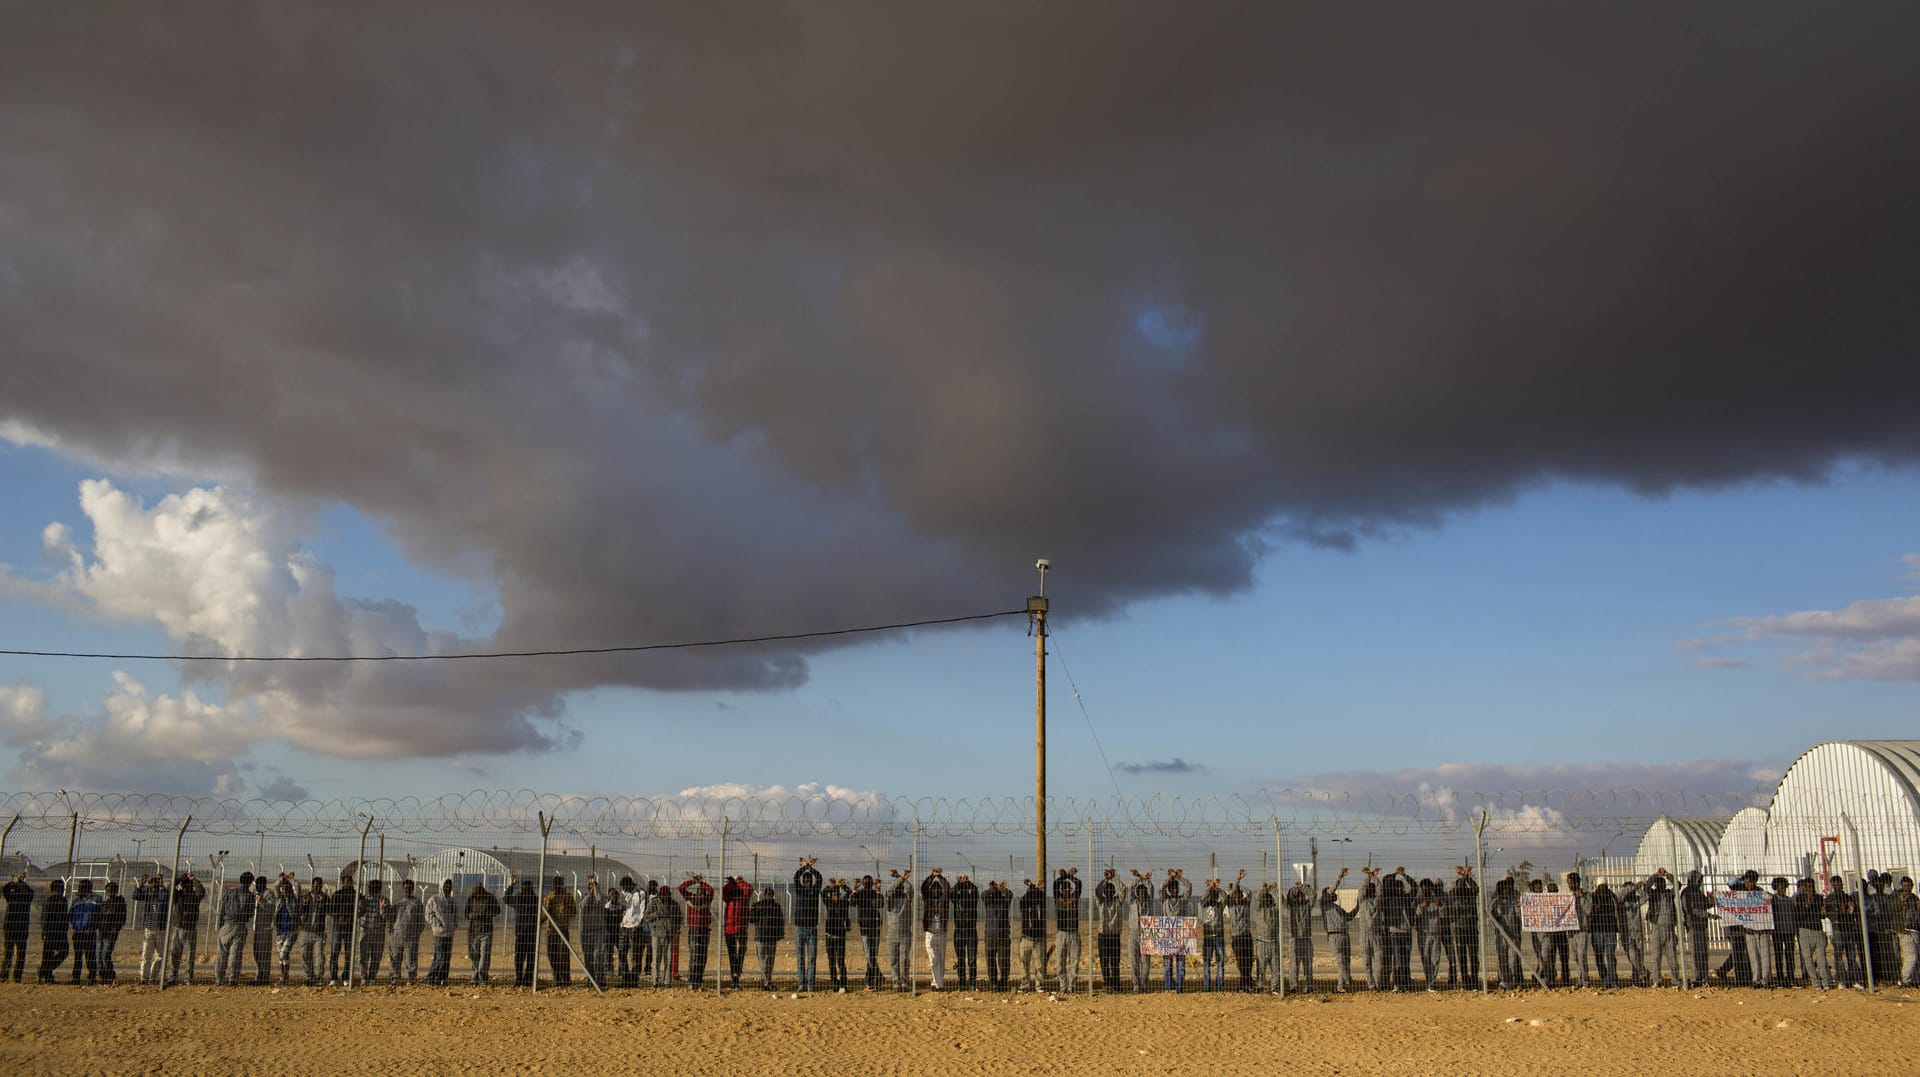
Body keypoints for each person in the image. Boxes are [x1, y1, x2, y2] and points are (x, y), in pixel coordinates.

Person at [215, 871, 255, 986]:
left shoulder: (229, 892)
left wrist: (220, 926)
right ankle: (233, 979)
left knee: (222, 953)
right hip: (240, 926)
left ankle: (219, 978)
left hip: (226, 925)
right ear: (250, 883)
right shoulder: (249, 896)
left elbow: (222, 910)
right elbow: (251, 912)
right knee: (235, 954)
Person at [1792, 877, 1831, 990]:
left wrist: (1824, 912)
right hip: (1804, 930)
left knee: (1821, 959)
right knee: (1808, 959)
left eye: (1812, 886)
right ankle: (1815, 982)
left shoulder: (1819, 898)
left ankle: (1825, 982)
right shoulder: (1799, 899)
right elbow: (1799, 916)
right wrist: (1807, 905)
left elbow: (1821, 915)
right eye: (1808, 887)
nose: (1810, 889)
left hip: (1817, 930)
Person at [168, 870, 206, 986]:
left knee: (189, 955)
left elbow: (201, 891)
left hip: (190, 928)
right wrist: (180, 878)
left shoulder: (194, 897)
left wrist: (194, 880)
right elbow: (170, 889)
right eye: (185, 885)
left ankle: (188, 978)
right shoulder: (178, 896)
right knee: (175, 953)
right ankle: (172, 977)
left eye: (188, 885)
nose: (186, 887)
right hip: (178, 927)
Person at [1319, 867, 1353, 992]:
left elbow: (1349, 917)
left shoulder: (1337, 908)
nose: (1334, 894)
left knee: (1346, 960)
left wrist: (1358, 906)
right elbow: (1331, 890)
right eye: (1331, 893)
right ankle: (1347, 981)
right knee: (1340, 960)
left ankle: (1341, 985)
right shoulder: (1324, 904)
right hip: (1334, 935)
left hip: (1344, 934)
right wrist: (1340, 877)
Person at [1826, 877, 1864, 989]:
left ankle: (1854, 979)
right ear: (1833, 886)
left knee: (1851, 955)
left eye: (1839, 884)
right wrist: (1839, 911)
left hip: (1849, 928)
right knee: (1838, 955)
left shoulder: (1847, 897)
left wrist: (1851, 909)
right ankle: (1842, 980)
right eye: (1835, 885)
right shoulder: (1830, 898)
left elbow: (1854, 912)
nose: (1838, 886)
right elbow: (1828, 913)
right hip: (1838, 929)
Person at [791, 858, 822, 992]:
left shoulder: (815, 891)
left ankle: (810, 985)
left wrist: (811, 868)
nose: (807, 882)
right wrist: (805, 867)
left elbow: (819, 878)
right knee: (800, 958)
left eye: (809, 880)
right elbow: (795, 877)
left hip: (812, 929)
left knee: (812, 958)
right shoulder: (799, 890)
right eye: (806, 881)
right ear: (803, 882)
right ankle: (801, 983)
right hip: (799, 928)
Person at [678, 874, 714, 988]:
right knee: (699, 955)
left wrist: (694, 881)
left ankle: (694, 980)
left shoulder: (690, 899)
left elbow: (681, 888)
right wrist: (700, 881)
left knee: (696, 956)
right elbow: (711, 890)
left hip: (697, 930)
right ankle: (695, 980)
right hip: (699, 931)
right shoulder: (706, 900)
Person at [1644, 870, 1679, 987]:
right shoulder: (1653, 895)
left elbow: (1678, 884)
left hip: (1669, 929)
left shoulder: (1669, 894)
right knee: (1656, 957)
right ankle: (1657, 980)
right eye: (1658, 884)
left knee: (1672, 957)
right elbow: (1646, 886)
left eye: (1662, 883)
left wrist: (1667, 875)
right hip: (1657, 928)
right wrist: (1655, 875)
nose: (1661, 886)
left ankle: (1675, 980)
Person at [1159, 868, 1192, 992]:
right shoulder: (1165, 900)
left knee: (1181, 964)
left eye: (1176, 888)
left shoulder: (1182, 901)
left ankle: (1180, 988)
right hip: (1167, 937)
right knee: (1167, 964)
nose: (1174, 890)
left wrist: (1179, 878)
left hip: (1180, 937)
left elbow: (1189, 887)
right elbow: (1160, 888)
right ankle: (1168, 987)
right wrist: (1170, 878)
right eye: (1172, 888)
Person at [387, 878, 424, 984]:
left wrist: (416, 934)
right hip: (397, 935)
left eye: (410, 888)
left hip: (411, 936)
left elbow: (421, 921)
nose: (407, 889)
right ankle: (395, 977)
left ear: (412, 889)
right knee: (395, 957)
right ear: (403, 889)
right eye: (406, 888)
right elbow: (391, 918)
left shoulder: (417, 903)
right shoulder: (398, 903)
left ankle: (410, 978)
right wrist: (391, 932)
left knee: (410, 958)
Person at [1093, 869, 1125, 991]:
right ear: (1105, 892)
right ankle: (1107, 984)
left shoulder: (1118, 901)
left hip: (1115, 935)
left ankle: (1116, 985)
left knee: (1115, 962)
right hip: (1103, 936)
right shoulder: (1101, 902)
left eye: (1111, 890)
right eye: (1107, 890)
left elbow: (1123, 890)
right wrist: (1105, 879)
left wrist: (1114, 878)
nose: (1109, 892)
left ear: (1113, 891)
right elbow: (1097, 891)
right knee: (1104, 962)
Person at [1489, 877, 1524, 990]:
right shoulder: (1495, 902)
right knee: (1501, 960)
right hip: (1500, 936)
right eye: (1505, 889)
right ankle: (1504, 982)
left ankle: (1509, 979)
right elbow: (1491, 918)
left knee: (1513, 960)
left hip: (1513, 935)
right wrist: (1499, 909)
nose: (1508, 891)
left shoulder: (1513, 900)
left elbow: (1519, 916)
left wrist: (1518, 907)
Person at [1449, 866, 1480, 990]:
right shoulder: (1454, 895)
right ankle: (1465, 981)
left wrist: (1467, 877)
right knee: (1462, 957)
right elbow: (1457, 889)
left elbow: (1476, 888)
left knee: (1473, 956)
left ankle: (1475, 980)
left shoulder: (1470, 895)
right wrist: (1464, 877)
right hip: (1460, 929)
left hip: (1472, 928)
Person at [1052, 867, 1082, 993]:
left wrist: (1070, 876)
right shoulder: (1058, 900)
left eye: (1068, 889)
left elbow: (1079, 884)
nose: (1066, 891)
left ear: (1071, 890)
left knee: (1074, 960)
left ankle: (1072, 986)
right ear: (1061, 890)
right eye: (1064, 889)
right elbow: (1054, 885)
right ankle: (1063, 985)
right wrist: (1063, 876)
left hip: (1074, 933)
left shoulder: (1075, 899)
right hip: (1061, 933)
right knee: (1060, 960)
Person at [850, 875, 883, 990]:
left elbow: (880, 904)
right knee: (869, 956)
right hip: (864, 928)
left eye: (869, 882)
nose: (868, 883)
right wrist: (854, 889)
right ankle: (878, 976)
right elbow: (852, 903)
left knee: (872, 956)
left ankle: (869, 982)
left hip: (875, 928)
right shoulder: (859, 893)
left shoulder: (875, 893)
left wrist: (879, 890)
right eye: (866, 882)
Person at [884, 869, 914, 990]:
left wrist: (903, 879)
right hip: (892, 933)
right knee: (893, 959)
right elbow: (888, 890)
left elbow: (910, 888)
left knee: (904, 959)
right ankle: (896, 981)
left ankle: (904, 981)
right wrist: (899, 878)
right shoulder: (889, 901)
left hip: (905, 933)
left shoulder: (907, 900)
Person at [1587, 880, 1622, 989]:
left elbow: (1617, 910)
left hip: (1610, 930)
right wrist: (1594, 909)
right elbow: (1588, 911)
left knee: (1610, 956)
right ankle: (1605, 979)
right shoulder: (1592, 897)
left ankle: (1613, 980)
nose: (1602, 887)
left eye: (1604, 885)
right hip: (1597, 930)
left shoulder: (1612, 896)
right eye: (1600, 885)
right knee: (1599, 957)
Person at [1680, 870, 1712, 987]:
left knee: (1703, 953)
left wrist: (1711, 899)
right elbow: (1691, 910)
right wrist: (1707, 915)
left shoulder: (1698, 892)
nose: (1700, 883)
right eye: (1699, 881)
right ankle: (1696, 978)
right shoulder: (1686, 893)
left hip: (1702, 926)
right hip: (1693, 926)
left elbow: (1706, 905)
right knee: (1696, 954)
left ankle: (1703, 977)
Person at [922, 866, 952, 990]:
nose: (935, 891)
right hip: (930, 931)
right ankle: (938, 983)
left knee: (941, 959)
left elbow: (947, 889)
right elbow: (923, 888)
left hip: (941, 932)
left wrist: (939, 877)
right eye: (932, 889)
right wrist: (931, 876)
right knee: (933, 959)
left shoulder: (943, 900)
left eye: (937, 889)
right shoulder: (927, 900)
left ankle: (937, 983)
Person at [505, 876, 539, 987]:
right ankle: (524, 979)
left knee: (524, 958)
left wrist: (512, 885)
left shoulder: (527, 899)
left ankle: (523, 979)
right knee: (525, 958)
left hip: (525, 933)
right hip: (527, 933)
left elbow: (506, 898)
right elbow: (506, 899)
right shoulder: (532, 899)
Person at [645, 880, 679, 987]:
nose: (665, 898)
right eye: (663, 896)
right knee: (656, 959)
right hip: (657, 934)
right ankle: (655, 981)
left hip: (669, 934)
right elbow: (647, 916)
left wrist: (674, 928)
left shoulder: (674, 904)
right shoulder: (654, 903)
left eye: (666, 896)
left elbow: (679, 918)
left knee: (668, 959)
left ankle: (667, 982)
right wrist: (657, 914)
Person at [720, 874, 751, 989]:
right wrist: (731, 883)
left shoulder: (744, 895)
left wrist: (739, 881)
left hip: (741, 927)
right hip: (729, 928)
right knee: (732, 954)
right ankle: (735, 979)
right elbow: (724, 893)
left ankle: (737, 970)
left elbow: (749, 889)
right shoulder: (729, 895)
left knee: (743, 948)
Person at [542, 874, 574, 987]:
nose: (557, 885)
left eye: (559, 883)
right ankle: (556, 977)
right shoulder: (549, 897)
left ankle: (565, 979)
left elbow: (573, 912)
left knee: (564, 955)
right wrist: (547, 908)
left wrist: (565, 908)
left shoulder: (568, 897)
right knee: (552, 954)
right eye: (555, 883)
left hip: (563, 928)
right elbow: (543, 915)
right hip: (551, 929)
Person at [136, 875, 169, 985]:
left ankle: (153, 977)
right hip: (149, 929)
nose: (152, 889)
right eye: (151, 887)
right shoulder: (147, 897)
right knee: (146, 955)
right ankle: (144, 977)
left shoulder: (162, 897)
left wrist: (162, 885)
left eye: (155, 887)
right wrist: (140, 884)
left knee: (159, 955)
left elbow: (166, 896)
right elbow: (135, 895)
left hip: (161, 929)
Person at [1224, 873, 1255, 992]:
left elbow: (1250, 893)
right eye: (1235, 896)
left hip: (1246, 935)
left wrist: (1239, 886)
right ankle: (1246, 983)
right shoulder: (1231, 906)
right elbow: (1228, 898)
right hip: (1236, 938)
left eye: (1239, 896)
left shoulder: (1245, 905)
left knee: (1248, 960)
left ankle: (1245, 984)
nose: (1237, 898)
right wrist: (1236, 883)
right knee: (1241, 961)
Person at [1126, 872, 1156, 991]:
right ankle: (1136, 984)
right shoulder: (1133, 902)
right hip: (1133, 933)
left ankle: (1144, 984)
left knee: (1145, 961)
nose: (1142, 894)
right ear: (1137, 894)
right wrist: (1139, 878)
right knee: (1133, 960)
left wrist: (1146, 880)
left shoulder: (1149, 902)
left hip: (1146, 934)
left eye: (1144, 892)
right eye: (1140, 892)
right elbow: (1129, 889)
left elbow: (1151, 888)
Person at [950, 872, 980, 990]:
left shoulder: (972, 900)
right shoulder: (956, 899)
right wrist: (958, 883)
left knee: (972, 960)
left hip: (971, 931)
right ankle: (962, 984)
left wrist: (968, 882)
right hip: (959, 932)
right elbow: (951, 894)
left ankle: (972, 984)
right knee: (960, 959)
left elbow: (975, 892)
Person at [982, 879, 1013, 991]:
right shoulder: (988, 900)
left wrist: (1002, 888)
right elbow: (983, 895)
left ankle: (1003, 982)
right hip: (990, 935)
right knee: (990, 960)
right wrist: (992, 888)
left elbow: (1010, 894)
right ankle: (993, 983)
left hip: (1003, 934)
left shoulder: (1005, 900)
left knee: (1004, 960)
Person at [1414, 878, 1445, 990]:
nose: (1426, 889)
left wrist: (1440, 905)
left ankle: (1432, 982)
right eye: (1424, 887)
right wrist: (1421, 907)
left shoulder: (1436, 899)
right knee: (1426, 958)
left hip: (1436, 932)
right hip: (1423, 933)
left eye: (1428, 887)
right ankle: (1429, 981)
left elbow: (1443, 915)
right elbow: (1415, 915)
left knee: (1435, 958)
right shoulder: (1418, 899)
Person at [424, 878, 457, 986]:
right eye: (445, 886)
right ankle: (431, 976)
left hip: (449, 933)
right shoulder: (434, 900)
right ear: (441, 886)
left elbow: (455, 915)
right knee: (439, 956)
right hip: (439, 933)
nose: (447, 888)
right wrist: (439, 925)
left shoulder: (452, 901)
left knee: (447, 957)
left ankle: (442, 978)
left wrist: (454, 925)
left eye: (449, 886)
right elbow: (428, 916)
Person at [296, 877, 328, 985]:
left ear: (321, 886)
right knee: (305, 954)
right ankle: (309, 976)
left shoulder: (325, 898)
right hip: (306, 930)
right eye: (315, 885)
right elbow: (299, 912)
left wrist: (322, 903)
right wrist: (304, 904)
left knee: (319, 956)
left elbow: (330, 910)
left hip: (318, 932)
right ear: (312, 886)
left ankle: (319, 977)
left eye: (319, 885)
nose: (317, 887)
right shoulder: (305, 897)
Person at [1017, 877, 1047, 992]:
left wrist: (1035, 888)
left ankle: (1039, 985)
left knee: (1039, 964)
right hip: (1026, 938)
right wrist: (1031, 887)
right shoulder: (1024, 905)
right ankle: (1024, 985)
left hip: (1038, 939)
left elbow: (1041, 897)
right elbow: (1024, 899)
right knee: (1024, 963)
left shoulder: (1040, 904)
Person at [327, 872, 358, 986]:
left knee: (349, 953)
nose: (348, 884)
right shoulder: (337, 895)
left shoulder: (355, 895)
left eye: (350, 882)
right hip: (338, 928)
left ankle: (346, 977)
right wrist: (339, 917)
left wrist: (351, 918)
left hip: (350, 928)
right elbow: (330, 910)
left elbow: (358, 910)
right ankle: (333, 977)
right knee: (335, 952)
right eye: (346, 882)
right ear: (343, 883)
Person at [1283, 878, 1314, 992]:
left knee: (1308, 965)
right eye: (1299, 896)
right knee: (1294, 965)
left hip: (1306, 939)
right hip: (1294, 938)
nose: (1301, 898)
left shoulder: (1307, 907)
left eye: (1302, 896)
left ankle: (1308, 987)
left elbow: (1313, 895)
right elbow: (1289, 896)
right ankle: (1293, 986)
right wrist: (1297, 888)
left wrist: (1304, 888)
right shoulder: (1292, 907)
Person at [822, 876, 853, 990]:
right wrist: (832, 886)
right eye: (834, 895)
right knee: (831, 961)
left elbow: (849, 892)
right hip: (829, 935)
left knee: (840, 960)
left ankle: (843, 984)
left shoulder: (844, 903)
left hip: (840, 935)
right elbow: (823, 893)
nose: (836, 897)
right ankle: (834, 982)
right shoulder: (829, 903)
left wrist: (841, 885)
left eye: (837, 895)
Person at [751, 886, 784, 989]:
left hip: (771, 937)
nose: (768, 896)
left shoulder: (776, 907)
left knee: (769, 960)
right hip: (761, 936)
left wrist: (779, 934)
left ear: (772, 895)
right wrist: (753, 910)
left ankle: (767, 981)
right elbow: (751, 919)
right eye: (767, 894)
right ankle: (766, 981)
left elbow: (780, 922)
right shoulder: (759, 906)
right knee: (763, 960)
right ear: (764, 895)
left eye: (770, 894)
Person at [68, 878, 100, 984]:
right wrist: (75, 926)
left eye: (82, 887)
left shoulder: (96, 899)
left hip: (90, 932)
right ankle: (76, 977)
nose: (79, 889)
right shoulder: (76, 901)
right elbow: (71, 916)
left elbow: (100, 916)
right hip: (78, 933)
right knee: (78, 957)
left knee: (90, 956)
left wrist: (92, 927)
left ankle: (92, 976)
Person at [357, 879, 389, 984]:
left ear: (378, 889)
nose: (371, 890)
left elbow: (386, 917)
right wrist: (362, 904)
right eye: (370, 887)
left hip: (378, 932)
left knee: (376, 956)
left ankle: (372, 977)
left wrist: (381, 908)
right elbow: (358, 914)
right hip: (365, 930)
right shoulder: (364, 899)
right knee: (363, 956)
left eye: (373, 888)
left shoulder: (384, 900)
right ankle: (363, 977)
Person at [615, 876, 645, 988]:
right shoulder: (627, 894)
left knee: (635, 956)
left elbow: (643, 909)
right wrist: (622, 924)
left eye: (625, 887)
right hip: (625, 927)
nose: (624, 889)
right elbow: (627, 910)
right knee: (622, 953)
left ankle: (634, 980)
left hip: (635, 928)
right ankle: (625, 979)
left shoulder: (640, 893)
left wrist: (638, 925)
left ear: (629, 884)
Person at [37, 878, 69, 983]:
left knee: (64, 952)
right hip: (51, 932)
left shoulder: (64, 901)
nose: (62, 890)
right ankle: (48, 976)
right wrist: (45, 931)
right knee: (48, 955)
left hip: (61, 932)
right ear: (55, 888)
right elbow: (45, 917)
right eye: (61, 888)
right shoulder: (49, 901)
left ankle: (44, 970)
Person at [1, 872, 31, 983]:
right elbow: (5, 889)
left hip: (16, 927)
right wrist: (16, 881)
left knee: (15, 953)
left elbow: (28, 891)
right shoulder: (12, 897)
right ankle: (7, 975)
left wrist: (17, 881)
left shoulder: (25, 897)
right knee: (12, 953)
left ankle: (13, 976)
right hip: (15, 927)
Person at [1198, 876, 1226, 991]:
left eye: (1215, 895)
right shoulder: (1204, 905)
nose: (1213, 896)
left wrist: (1218, 889)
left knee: (1220, 963)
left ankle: (1219, 987)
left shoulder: (1220, 905)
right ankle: (1206, 987)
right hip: (1208, 937)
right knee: (1206, 963)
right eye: (1212, 894)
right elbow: (1202, 899)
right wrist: (1210, 888)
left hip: (1219, 937)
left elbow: (1225, 897)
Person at [578, 876, 607, 988]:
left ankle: (600, 978)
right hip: (586, 931)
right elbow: (583, 905)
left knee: (598, 955)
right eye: (591, 887)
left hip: (599, 931)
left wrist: (597, 890)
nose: (593, 889)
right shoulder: (585, 897)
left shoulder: (602, 897)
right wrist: (590, 893)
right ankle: (590, 979)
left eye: (595, 887)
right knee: (588, 957)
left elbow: (600, 901)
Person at [96, 880, 127, 984]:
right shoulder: (105, 903)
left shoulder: (119, 902)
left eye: (111, 890)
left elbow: (122, 917)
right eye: (107, 890)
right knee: (99, 955)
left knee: (105, 955)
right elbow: (100, 916)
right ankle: (103, 975)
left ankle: (110, 974)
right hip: (102, 931)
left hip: (111, 932)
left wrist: (116, 927)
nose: (109, 892)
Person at [1618, 878, 1647, 987]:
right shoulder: (1620, 901)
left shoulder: (1636, 900)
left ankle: (1637, 980)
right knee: (1632, 955)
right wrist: (1634, 886)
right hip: (1626, 931)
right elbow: (1620, 894)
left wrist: (1639, 889)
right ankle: (1643, 972)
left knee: (1639, 956)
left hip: (1637, 930)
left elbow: (1646, 897)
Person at [1769, 877, 1798, 987]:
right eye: (1779, 887)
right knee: (1778, 955)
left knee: (1790, 955)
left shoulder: (1789, 901)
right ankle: (1780, 978)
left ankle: (1790, 977)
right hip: (1778, 931)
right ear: (1776, 888)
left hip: (1789, 931)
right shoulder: (1772, 901)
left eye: (1783, 887)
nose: (1782, 889)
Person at [1355, 873, 1382, 990]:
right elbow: (1361, 890)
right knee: (1367, 962)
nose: (1370, 891)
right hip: (1364, 935)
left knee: (1378, 961)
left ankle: (1378, 984)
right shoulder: (1362, 901)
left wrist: (1374, 877)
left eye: (1372, 889)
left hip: (1376, 934)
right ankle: (1371, 985)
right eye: (1368, 889)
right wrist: (1368, 878)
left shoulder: (1377, 901)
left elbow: (1380, 889)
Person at [1252, 883, 1281, 993]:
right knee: (1261, 967)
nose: (1267, 901)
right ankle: (1260, 986)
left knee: (1276, 967)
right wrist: (1266, 888)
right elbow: (1257, 897)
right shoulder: (1259, 911)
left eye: (1269, 899)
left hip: (1273, 942)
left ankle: (1275, 987)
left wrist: (1275, 890)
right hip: (1262, 942)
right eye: (1265, 899)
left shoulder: (1275, 910)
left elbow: (1280, 900)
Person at [269, 878, 298, 985]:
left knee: (283, 953)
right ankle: (285, 977)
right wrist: (281, 879)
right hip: (280, 931)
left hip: (291, 931)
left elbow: (298, 888)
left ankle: (283, 977)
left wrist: (293, 879)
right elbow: (275, 886)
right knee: (282, 956)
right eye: (283, 888)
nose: (284, 890)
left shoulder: (294, 900)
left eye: (287, 888)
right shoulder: (279, 900)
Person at [249, 875, 276, 985]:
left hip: (265, 928)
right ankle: (258, 976)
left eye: (260, 884)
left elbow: (271, 908)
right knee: (257, 953)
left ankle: (264, 977)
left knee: (264, 954)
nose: (258, 887)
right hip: (257, 928)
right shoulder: (256, 894)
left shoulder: (268, 894)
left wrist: (261, 901)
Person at [1895, 875, 1919, 988]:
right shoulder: (1896, 898)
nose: (1906, 888)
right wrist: (1901, 902)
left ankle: (1913, 979)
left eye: (1909, 886)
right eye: (1904, 886)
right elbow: (1891, 911)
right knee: (1911, 956)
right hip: (1904, 930)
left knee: (1914, 956)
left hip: (1915, 929)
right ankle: (1905, 981)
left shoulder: (1914, 898)